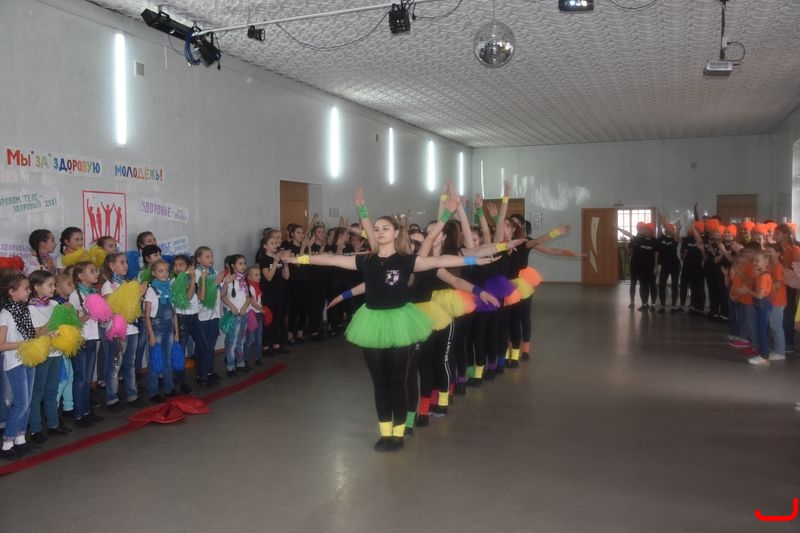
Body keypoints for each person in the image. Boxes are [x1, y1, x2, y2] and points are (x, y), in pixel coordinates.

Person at [284, 188, 498, 452]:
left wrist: (474, 260)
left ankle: (398, 432)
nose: (380, 231)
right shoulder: (367, 261)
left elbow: (440, 260)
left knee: (398, 380)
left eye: (385, 228)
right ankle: (385, 431)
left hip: (400, 323)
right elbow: (331, 259)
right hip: (372, 324)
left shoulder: (407, 261)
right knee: (380, 382)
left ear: (397, 233)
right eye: (377, 229)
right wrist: (300, 258)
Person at [0, 271, 43, 458]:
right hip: (15, 363)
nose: (29, 291)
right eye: (26, 288)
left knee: (26, 404)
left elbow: (32, 334)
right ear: (12, 292)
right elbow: (1, 344)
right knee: (20, 404)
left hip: (28, 359)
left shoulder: (24, 310)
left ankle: (20, 439)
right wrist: (24, 344)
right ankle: (7, 444)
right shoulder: (5, 314)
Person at [27, 270, 73, 444]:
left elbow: (62, 326)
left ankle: (53, 424)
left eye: (54, 285)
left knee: (52, 390)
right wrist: (55, 317)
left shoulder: (53, 304)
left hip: (56, 352)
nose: (53, 288)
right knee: (37, 393)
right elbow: (38, 333)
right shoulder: (31, 308)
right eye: (50, 285)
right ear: (37, 287)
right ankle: (35, 429)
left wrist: (67, 314)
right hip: (42, 354)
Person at [100, 253, 144, 410]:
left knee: (130, 363)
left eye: (126, 262)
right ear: (112, 266)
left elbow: (134, 308)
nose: (126, 265)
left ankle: (132, 395)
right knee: (115, 364)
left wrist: (138, 295)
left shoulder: (127, 284)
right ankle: (112, 398)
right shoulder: (108, 286)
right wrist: (135, 294)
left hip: (132, 328)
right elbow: (112, 309)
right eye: (122, 262)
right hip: (117, 330)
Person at [69, 262, 104, 428]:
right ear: (81, 276)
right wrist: (91, 313)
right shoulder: (75, 295)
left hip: (91, 338)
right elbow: (74, 322)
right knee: (81, 378)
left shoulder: (93, 293)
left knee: (88, 378)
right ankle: (79, 414)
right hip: (80, 340)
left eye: (95, 271)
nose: (96, 273)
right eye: (91, 271)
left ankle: (87, 411)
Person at [172, 255, 212, 388]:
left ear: (188, 267)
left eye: (181, 265)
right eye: (175, 265)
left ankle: (202, 375)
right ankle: (181, 381)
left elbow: (202, 297)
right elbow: (188, 297)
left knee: (203, 346)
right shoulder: (174, 281)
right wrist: (193, 278)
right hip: (181, 319)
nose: (177, 268)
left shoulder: (191, 279)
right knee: (181, 351)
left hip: (194, 317)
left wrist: (202, 280)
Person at [143, 259, 178, 402]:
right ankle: (153, 392)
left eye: (166, 271)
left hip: (169, 329)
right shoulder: (151, 291)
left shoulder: (169, 289)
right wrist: (151, 336)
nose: (164, 273)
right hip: (156, 329)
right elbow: (147, 316)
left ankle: (169, 389)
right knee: (155, 361)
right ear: (153, 273)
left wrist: (176, 333)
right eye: (161, 271)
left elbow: (174, 314)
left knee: (168, 360)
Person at [737, 250, 772, 366]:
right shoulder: (761, 275)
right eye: (754, 260)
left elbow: (760, 296)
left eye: (757, 261)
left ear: (765, 262)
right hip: (760, 306)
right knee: (759, 330)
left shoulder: (763, 277)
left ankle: (764, 356)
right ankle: (762, 354)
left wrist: (747, 291)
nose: (754, 263)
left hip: (763, 305)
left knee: (762, 331)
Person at [195, 246, 224, 384]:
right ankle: (201, 375)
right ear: (198, 259)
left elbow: (220, 294)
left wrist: (225, 283)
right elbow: (202, 296)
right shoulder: (196, 274)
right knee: (203, 346)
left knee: (211, 345)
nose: (211, 259)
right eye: (207, 256)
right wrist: (216, 282)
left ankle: (210, 371)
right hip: (202, 315)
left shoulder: (215, 272)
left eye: (211, 256)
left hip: (214, 314)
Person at [258, 231, 290, 355]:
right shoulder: (264, 259)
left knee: (279, 318)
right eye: (272, 243)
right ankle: (266, 346)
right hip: (269, 295)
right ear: (265, 246)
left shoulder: (278, 258)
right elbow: (268, 277)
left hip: (280, 292)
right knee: (269, 319)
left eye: (276, 243)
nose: (275, 245)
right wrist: (276, 262)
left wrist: (285, 264)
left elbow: (286, 276)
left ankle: (276, 344)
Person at [220, 255, 251, 376]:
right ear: (233, 265)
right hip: (234, 315)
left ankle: (241, 364)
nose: (243, 266)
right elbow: (222, 296)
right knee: (232, 342)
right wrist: (232, 307)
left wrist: (244, 308)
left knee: (241, 341)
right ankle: (230, 367)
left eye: (244, 263)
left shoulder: (244, 279)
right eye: (240, 263)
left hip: (243, 314)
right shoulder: (228, 279)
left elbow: (248, 297)